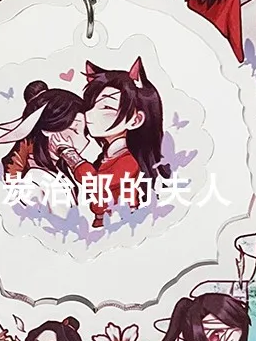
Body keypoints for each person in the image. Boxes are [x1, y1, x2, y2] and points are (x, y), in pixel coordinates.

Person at [51, 58, 169, 228]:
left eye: (106, 108)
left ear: (135, 120)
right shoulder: (107, 156)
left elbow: (95, 183)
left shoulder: (129, 160)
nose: (90, 114)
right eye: (90, 106)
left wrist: (68, 153)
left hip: (122, 225)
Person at [0, 80, 88, 216]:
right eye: (74, 129)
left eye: (85, 132)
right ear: (48, 130)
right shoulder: (34, 182)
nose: (85, 141)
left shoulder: (57, 172)